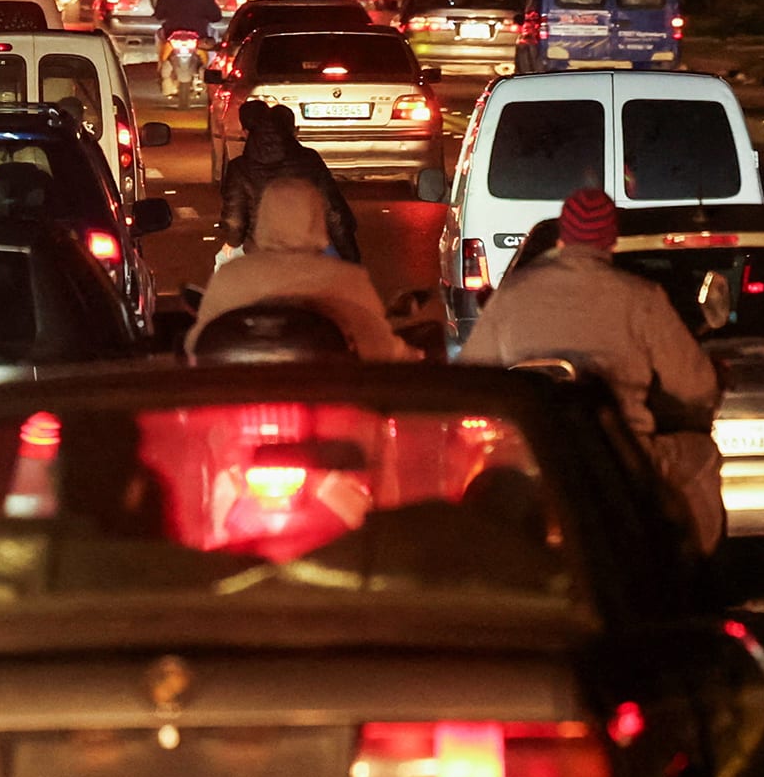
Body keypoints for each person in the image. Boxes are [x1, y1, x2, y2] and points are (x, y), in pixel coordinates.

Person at [458, 188, 724, 546]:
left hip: (529, 454)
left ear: (564, 235)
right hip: (619, 456)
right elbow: (694, 385)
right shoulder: (640, 298)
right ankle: (695, 575)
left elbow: (471, 375)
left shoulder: (513, 294)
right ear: (611, 237)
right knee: (702, 455)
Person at [188, 178, 411, 362]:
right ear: (317, 219)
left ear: (263, 218)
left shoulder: (231, 276)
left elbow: (196, 345)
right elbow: (380, 346)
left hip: (239, 398)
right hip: (329, 399)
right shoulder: (347, 279)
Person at [219, 101, 362, 263]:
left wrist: (232, 243)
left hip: (261, 254)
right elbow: (335, 213)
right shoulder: (310, 159)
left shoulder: (240, 168)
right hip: (310, 250)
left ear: (246, 132)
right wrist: (351, 258)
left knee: (223, 261)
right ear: (292, 131)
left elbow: (234, 221)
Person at [153, 0, 223, 100]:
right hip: (200, 35)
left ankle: (161, 66)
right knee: (214, 44)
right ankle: (211, 68)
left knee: (158, 36)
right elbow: (216, 16)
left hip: (172, 34)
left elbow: (159, 15)